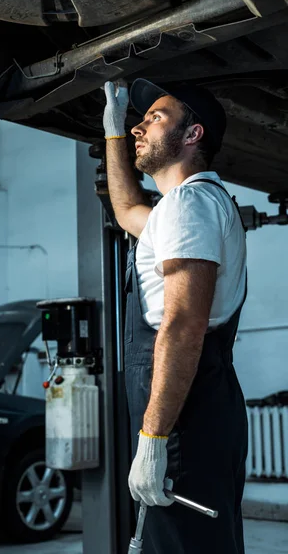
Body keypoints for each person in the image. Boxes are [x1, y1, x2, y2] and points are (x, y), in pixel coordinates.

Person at [102, 78, 248, 554]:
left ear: (192, 135)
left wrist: (153, 437)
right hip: (189, 409)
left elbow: (183, 325)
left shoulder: (192, 204)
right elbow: (125, 210)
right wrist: (112, 134)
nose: (139, 126)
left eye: (155, 118)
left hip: (184, 417)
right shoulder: (176, 209)